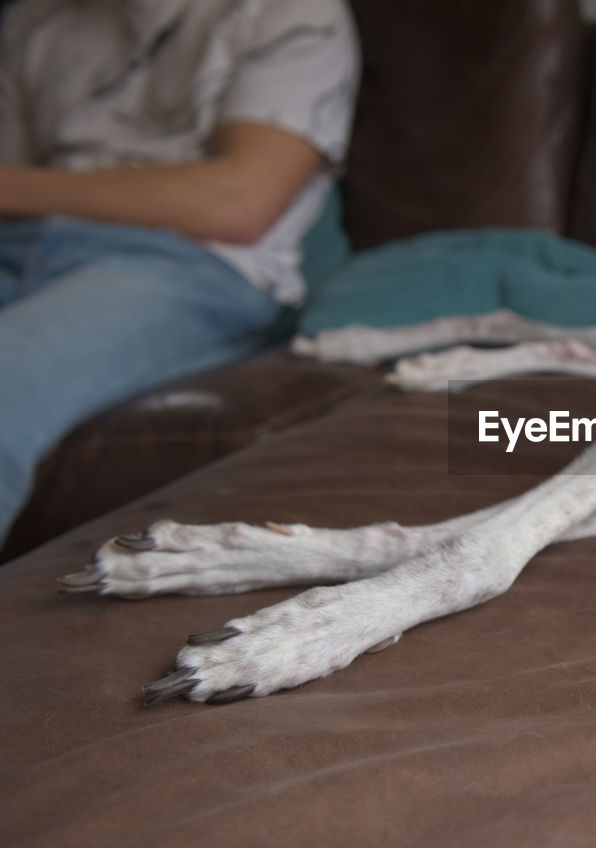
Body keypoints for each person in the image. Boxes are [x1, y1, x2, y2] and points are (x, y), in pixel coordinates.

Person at [0, 0, 360, 544]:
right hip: (20, 241)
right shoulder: (32, 20)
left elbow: (238, 201)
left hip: (191, 263)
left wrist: (14, 188)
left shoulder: (288, 11)